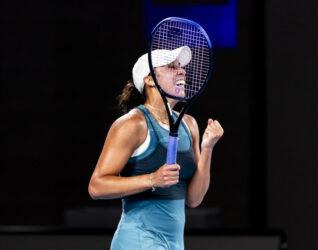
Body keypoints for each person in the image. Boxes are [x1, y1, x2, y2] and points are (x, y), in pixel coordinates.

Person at [88, 47, 224, 250]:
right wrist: (152, 179)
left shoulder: (190, 124)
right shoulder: (132, 125)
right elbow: (96, 187)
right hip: (137, 240)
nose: (181, 71)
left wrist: (208, 149)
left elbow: (194, 199)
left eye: (180, 67)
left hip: (174, 244)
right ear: (149, 80)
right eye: (171, 67)